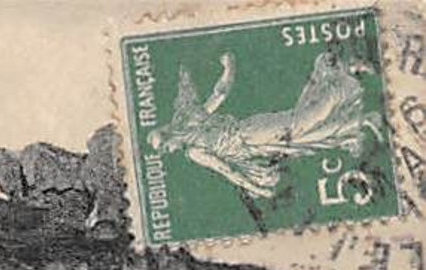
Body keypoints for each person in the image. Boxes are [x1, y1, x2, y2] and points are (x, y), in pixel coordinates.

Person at [148, 52, 383, 200]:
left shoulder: (195, 149)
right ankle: (360, 121)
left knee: (301, 124)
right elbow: (218, 96)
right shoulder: (194, 129)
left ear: (169, 135)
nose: (168, 152)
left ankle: (340, 73)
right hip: (255, 143)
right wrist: (229, 68)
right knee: (305, 136)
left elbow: (226, 170)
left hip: (250, 134)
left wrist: (230, 68)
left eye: (164, 146)